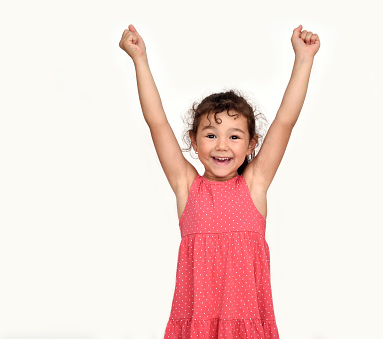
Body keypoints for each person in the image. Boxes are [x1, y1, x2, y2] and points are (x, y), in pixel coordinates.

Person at [119, 23, 320, 339]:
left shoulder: (254, 185)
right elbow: (156, 121)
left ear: (251, 144)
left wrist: (304, 60)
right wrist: (139, 59)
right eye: (210, 135)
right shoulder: (187, 186)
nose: (222, 145)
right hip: (196, 325)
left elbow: (285, 120)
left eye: (234, 136)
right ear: (194, 142)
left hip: (245, 326)